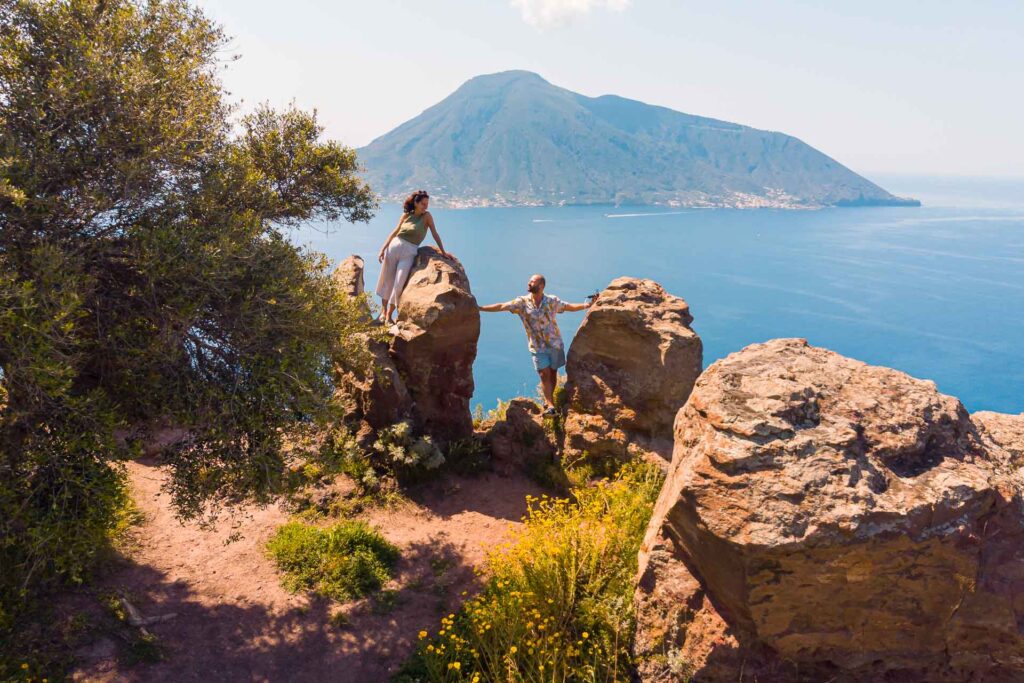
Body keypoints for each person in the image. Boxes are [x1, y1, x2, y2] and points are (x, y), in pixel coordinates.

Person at [479, 274, 591, 414]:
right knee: (544, 374)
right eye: (530, 281)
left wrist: (587, 305)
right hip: (537, 347)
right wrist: (480, 308)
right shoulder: (522, 302)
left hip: (555, 344)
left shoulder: (551, 301)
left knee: (553, 373)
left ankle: (549, 400)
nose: (529, 283)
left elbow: (568, 306)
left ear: (541, 286)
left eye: (532, 281)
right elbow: (502, 306)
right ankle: (550, 405)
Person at [375, 190, 451, 324]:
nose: (425, 206)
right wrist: (383, 248)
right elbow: (395, 232)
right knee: (388, 280)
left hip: (410, 251)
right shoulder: (406, 215)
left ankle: (389, 315)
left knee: (399, 284)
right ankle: (383, 311)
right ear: (416, 203)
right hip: (393, 247)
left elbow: (435, 234)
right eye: (423, 204)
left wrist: (443, 252)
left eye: (427, 204)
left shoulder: (427, 216)